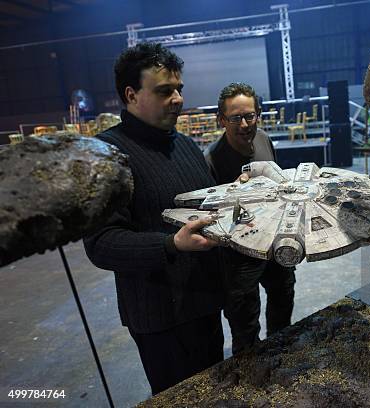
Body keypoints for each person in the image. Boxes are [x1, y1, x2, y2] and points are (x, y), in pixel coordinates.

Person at [83, 42, 224, 395]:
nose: (177, 98)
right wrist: (171, 243)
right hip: (160, 317)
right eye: (164, 91)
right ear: (131, 95)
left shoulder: (185, 145)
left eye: (179, 89)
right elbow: (102, 244)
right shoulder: (107, 156)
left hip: (204, 302)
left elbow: (207, 204)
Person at [205, 82, 296, 355]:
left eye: (250, 116)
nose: (244, 124)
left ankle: (281, 356)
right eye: (235, 118)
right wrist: (233, 195)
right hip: (239, 257)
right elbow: (211, 217)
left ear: (258, 114)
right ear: (221, 120)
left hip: (273, 242)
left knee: (283, 299)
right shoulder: (211, 159)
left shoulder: (264, 139)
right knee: (245, 325)